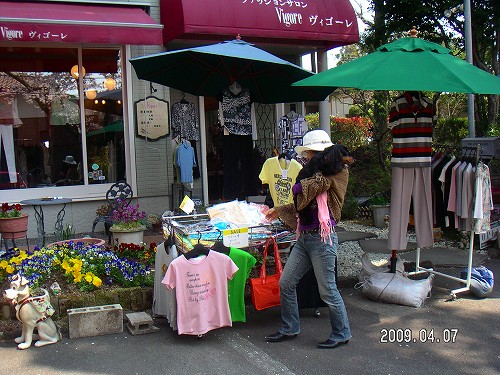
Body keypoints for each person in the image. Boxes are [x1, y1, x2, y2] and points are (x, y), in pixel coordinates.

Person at [264, 129, 354, 349]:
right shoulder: (313, 171)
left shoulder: (336, 172)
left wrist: (304, 178)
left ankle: (342, 332)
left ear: (322, 154)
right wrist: (279, 210)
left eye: (310, 154)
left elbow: (309, 189)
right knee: (286, 283)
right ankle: (289, 327)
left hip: (323, 238)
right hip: (304, 237)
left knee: (328, 290)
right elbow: (300, 202)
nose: (307, 158)